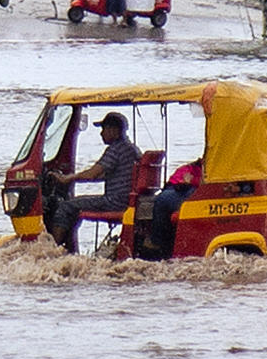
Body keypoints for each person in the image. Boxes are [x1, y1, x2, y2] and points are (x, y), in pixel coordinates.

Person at [44, 110, 141, 252]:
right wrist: (74, 178)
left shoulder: (115, 150)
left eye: (104, 129)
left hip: (115, 201)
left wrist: (68, 178)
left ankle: (52, 252)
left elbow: (93, 173)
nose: (101, 134)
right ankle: (69, 250)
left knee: (65, 207)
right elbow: (100, 175)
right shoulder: (131, 149)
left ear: (114, 131)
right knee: (74, 206)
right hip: (126, 199)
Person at [141, 157, 203, 260]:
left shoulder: (194, 170)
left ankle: (157, 243)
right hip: (185, 187)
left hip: (192, 191)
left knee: (162, 200)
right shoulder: (192, 168)